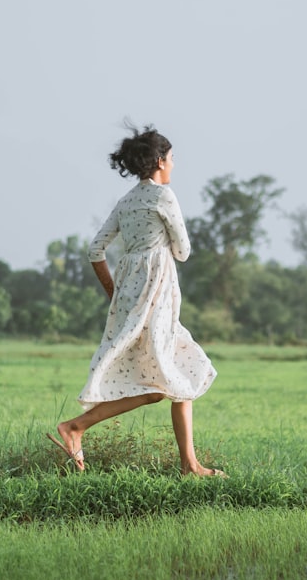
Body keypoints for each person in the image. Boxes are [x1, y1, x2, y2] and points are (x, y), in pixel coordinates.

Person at [47, 123, 223, 477]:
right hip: (155, 294)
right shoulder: (163, 197)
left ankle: (189, 464)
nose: (174, 164)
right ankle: (76, 427)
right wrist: (164, 249)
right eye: (171, 159)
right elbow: (184, 251)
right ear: (160, 161)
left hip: (130, 293)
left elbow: (96, 250)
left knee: (179, 372)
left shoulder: (126, 201)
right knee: (163, 382)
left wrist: (114, 291)